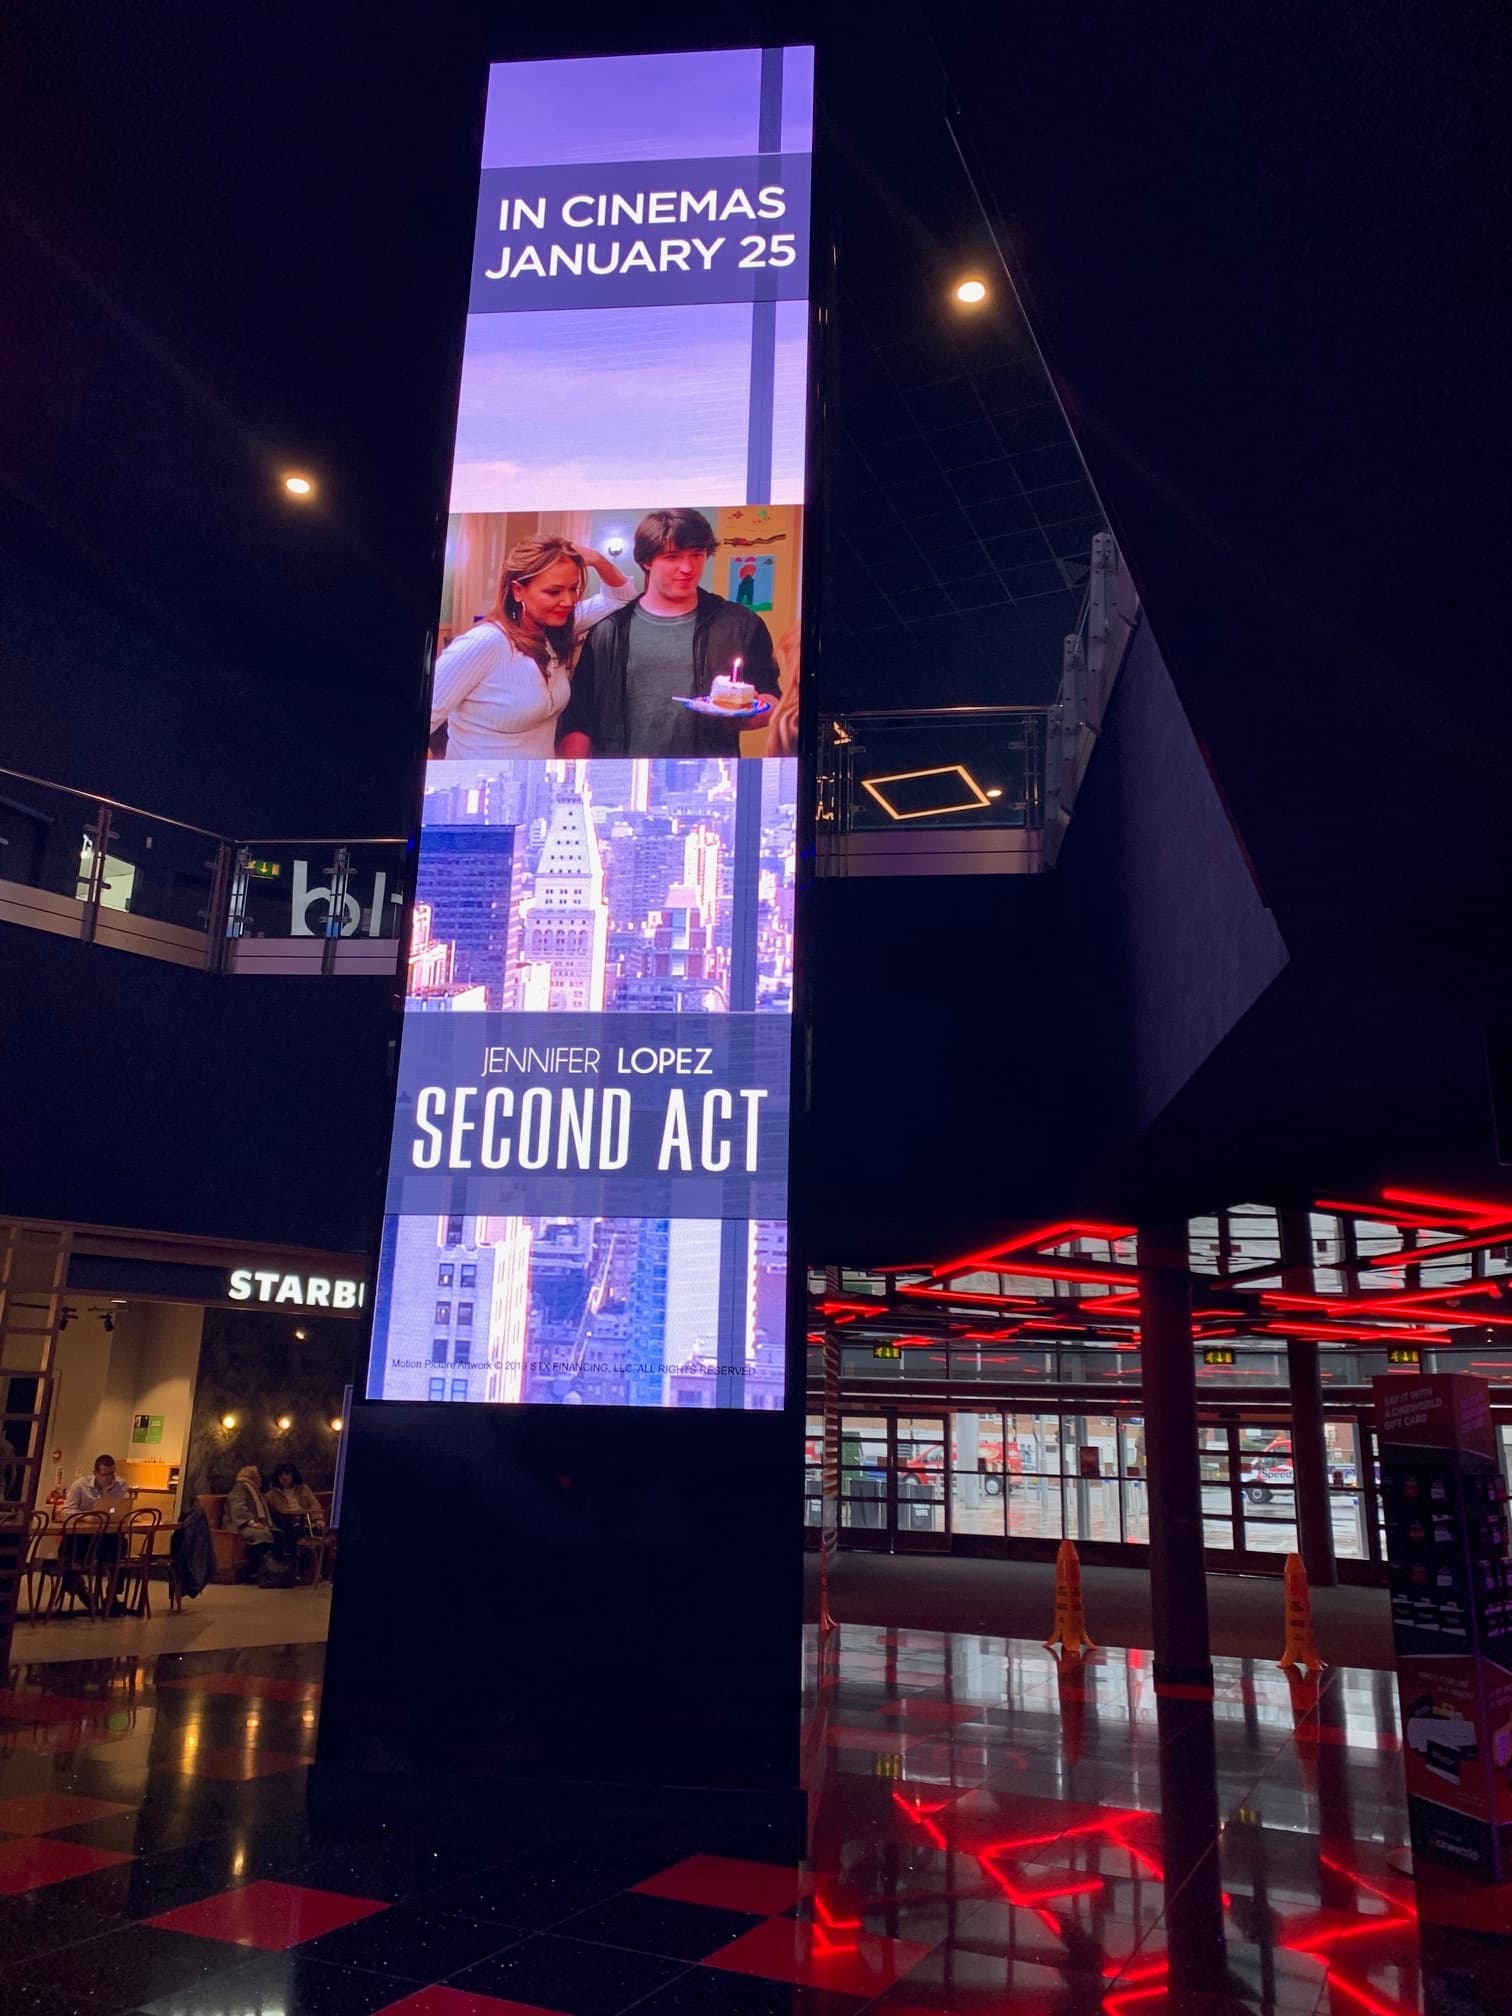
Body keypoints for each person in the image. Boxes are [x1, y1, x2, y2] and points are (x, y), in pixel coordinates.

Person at [557, 508, 780, 758]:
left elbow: (772, 697)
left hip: (708, 773)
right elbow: (580, 718)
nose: (687, 568)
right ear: (646, 561)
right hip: (624, 772)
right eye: (672, 557)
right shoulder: (609, 631)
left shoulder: (741, 624)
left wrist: (749, 714)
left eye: (697, 555)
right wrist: (574, 770)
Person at [429, 536, 634, 758]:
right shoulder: (484, 642)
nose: (568, 601)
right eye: (553, 592)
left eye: (573, 588)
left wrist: (597, 560)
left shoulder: (555, 629)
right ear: (518, 591)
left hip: (538, 779)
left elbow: (622, 598)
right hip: (479, 779)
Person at [60, 1453, 131, 1608]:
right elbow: (65, 1512)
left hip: (107, 1536)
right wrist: (87, 1518)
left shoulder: (120, 1484)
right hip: (83, 1537)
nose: (109, 1478)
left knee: (120, 1546)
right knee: (70, 1547)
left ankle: (112, 1595)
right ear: (95, 1473)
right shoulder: (80, 1485)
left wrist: (106, 1494)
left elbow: (120, 1510)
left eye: (112, 1474)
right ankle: (78, 1586)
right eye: (105, 1475)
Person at [224, 1464, 285, 1581]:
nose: (260, 1479)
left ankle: (275, 1570)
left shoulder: (254, 1490)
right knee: (262, 1534)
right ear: (252, 1477)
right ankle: (257, 1570)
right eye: (258, 1476)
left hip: (253, 1523)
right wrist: (251, 1522)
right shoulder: (240, 1488)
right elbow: (238, 1508)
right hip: (239, 1525)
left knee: (279, 1534)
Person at [266, 1463, 323, 1550]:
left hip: (303, 1520)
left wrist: (318, 1519)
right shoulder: (271, 1495)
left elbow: (314, 1505)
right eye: (280, 1475)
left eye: (287, 1474)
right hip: (284, 1524)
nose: (284, 1477)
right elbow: (267, 1512)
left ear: (293, 1474)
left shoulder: (304, 1489)